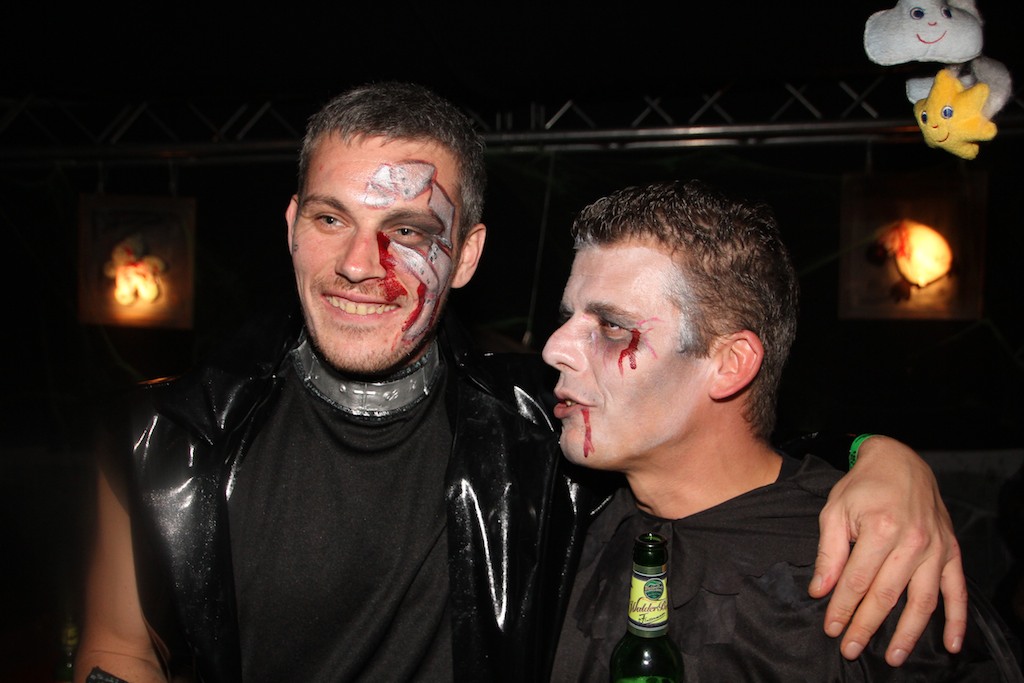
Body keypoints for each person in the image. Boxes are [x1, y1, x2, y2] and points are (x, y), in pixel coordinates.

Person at [76, 83, 965, 683]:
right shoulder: (167, 437)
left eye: (409, 230)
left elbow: (712, 436)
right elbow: (119, 650)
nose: (360, 263)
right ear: (291, 226)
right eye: (331, 217)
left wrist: (880, 456)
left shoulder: (545, 427)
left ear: (466, 255)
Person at [545, 180, 1018, 680]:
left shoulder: (870, 568)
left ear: (730, 364)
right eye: (567, 318)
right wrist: (875, 449)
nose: (555, 348)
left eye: (612, 327)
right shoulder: (555, 518)